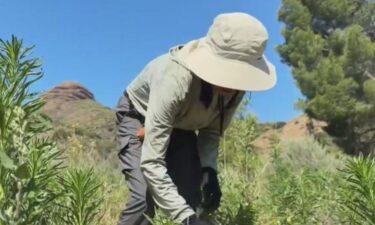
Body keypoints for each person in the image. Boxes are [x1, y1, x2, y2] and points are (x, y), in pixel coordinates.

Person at [115, 12, 276, 225]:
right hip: (139, 116)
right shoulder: (175, 77)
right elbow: (152, 162)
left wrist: (209, 171)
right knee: (144, 199)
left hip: (182, 124)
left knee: (191, 195)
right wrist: (187, 220)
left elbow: (211, 130)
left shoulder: (235, 89)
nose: (232, 83)